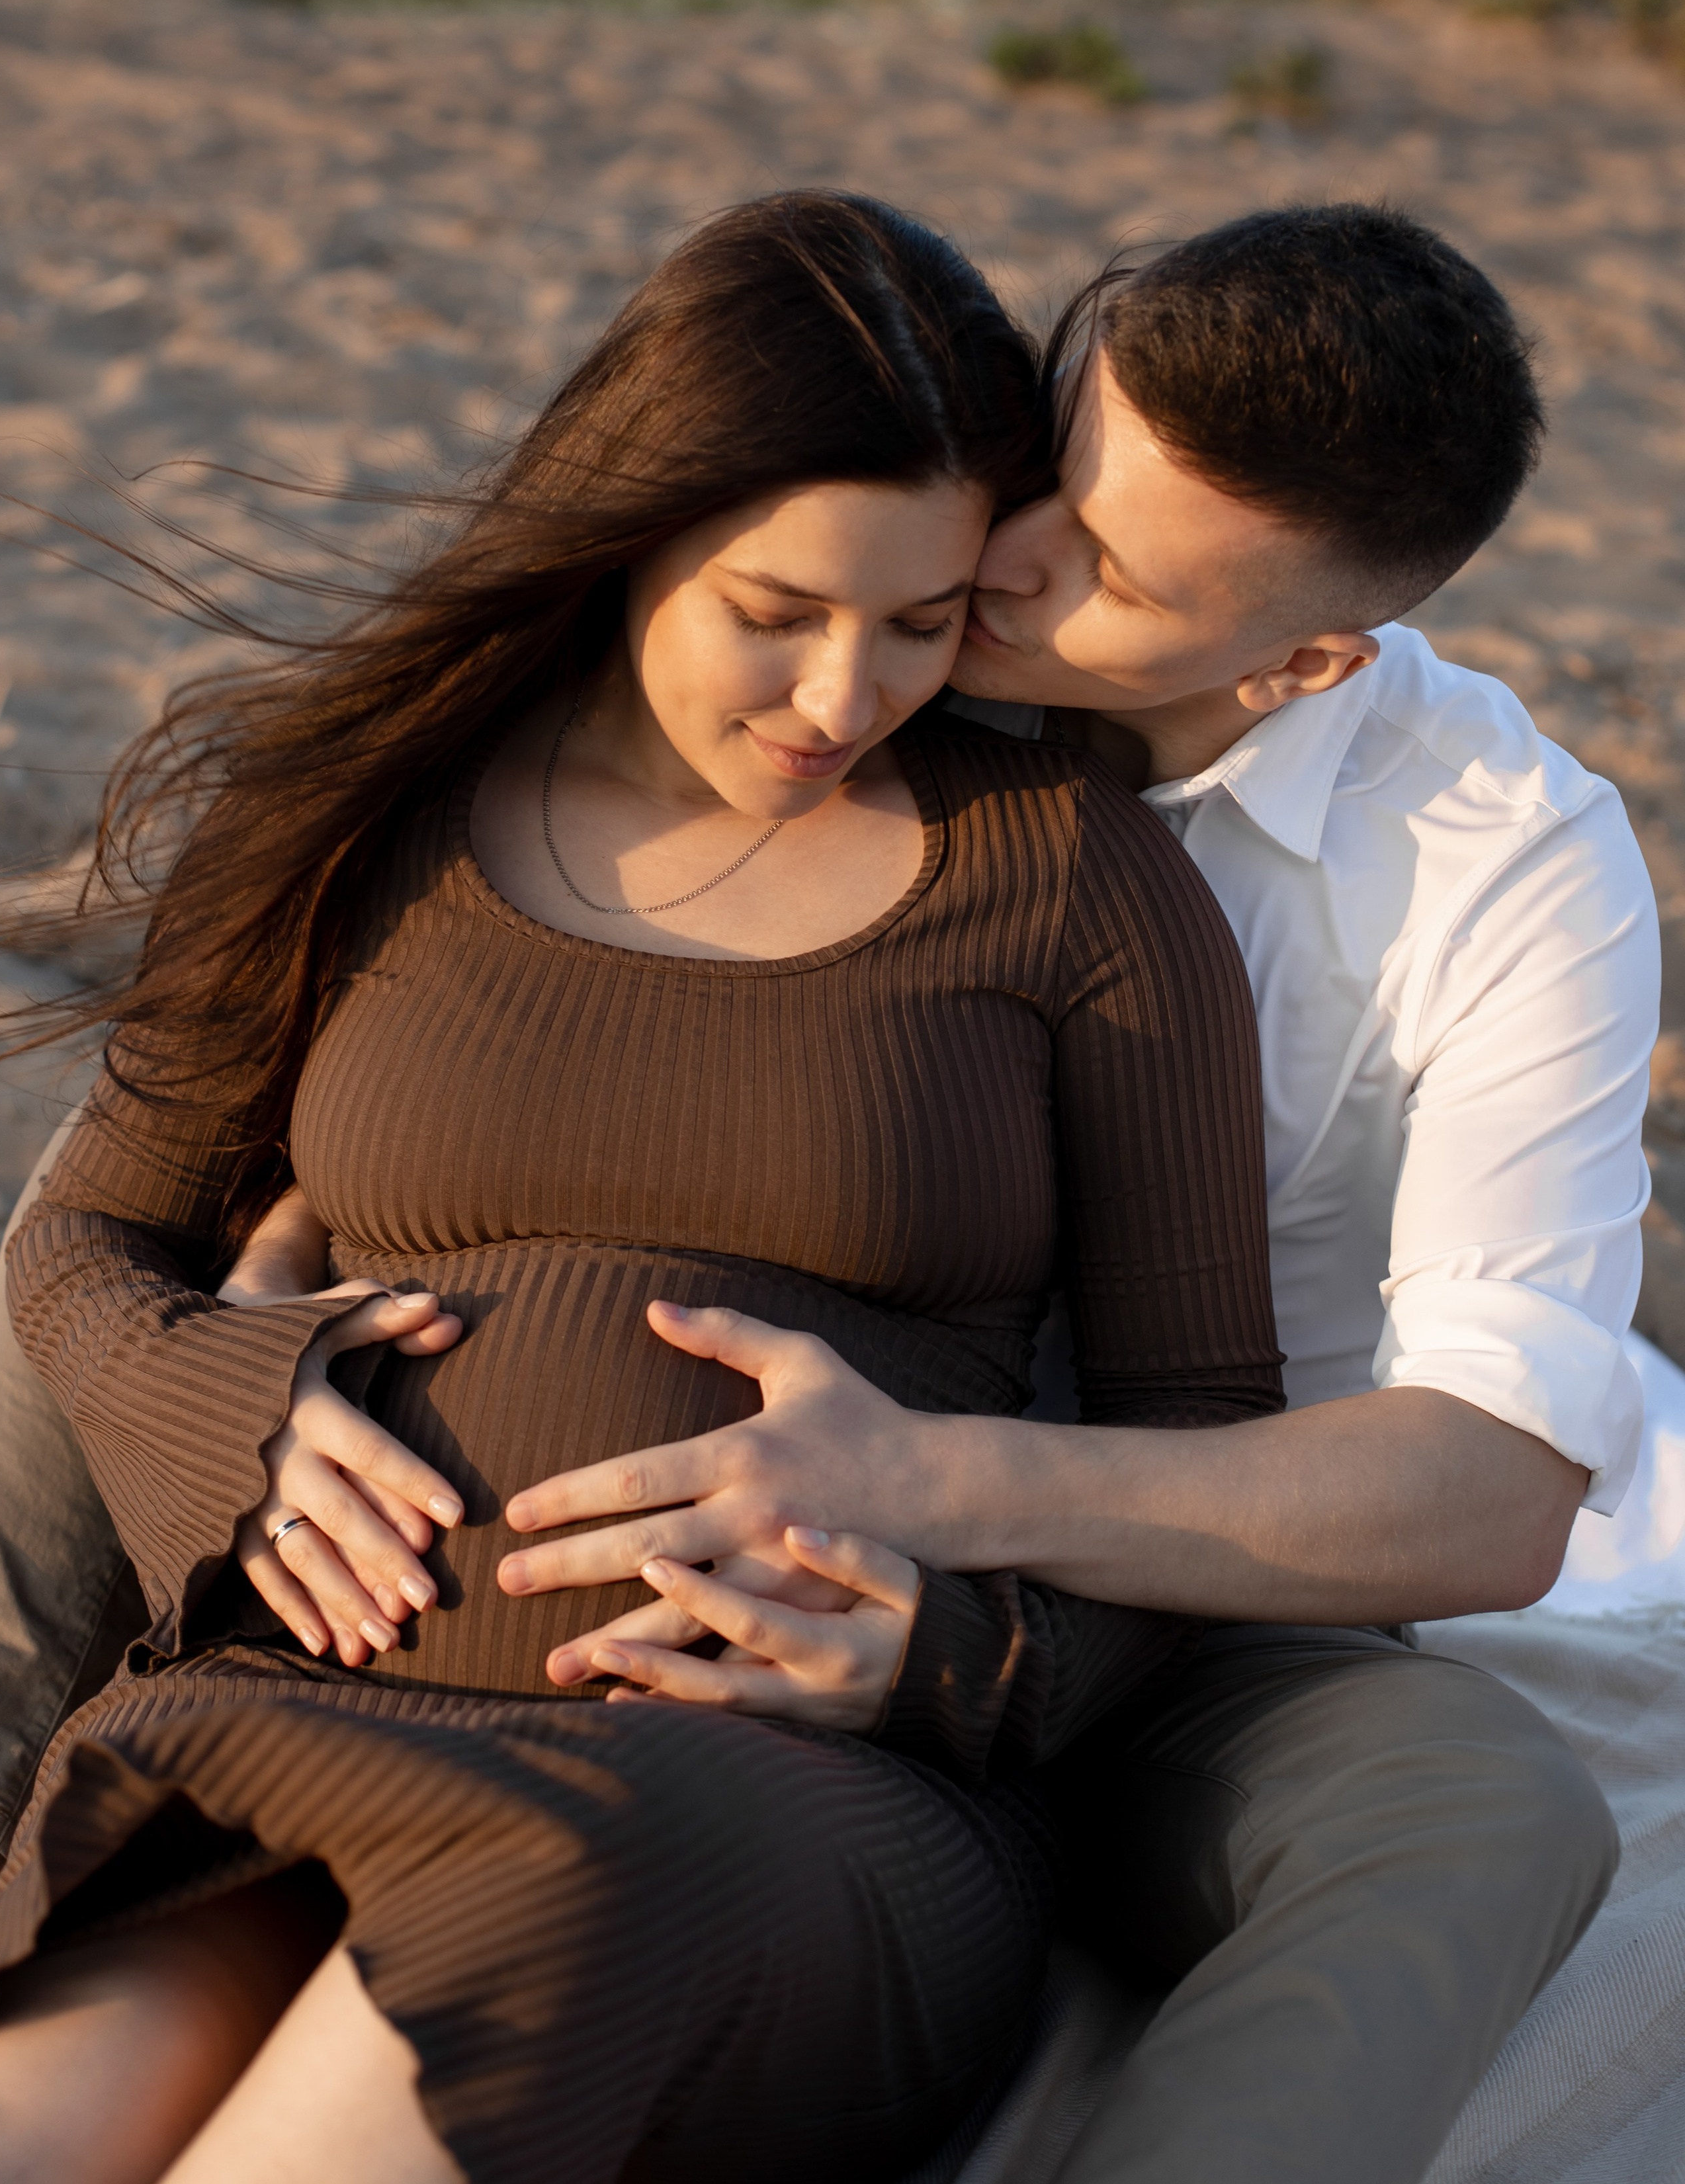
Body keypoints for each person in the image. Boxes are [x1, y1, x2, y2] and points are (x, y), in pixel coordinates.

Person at [0, 192, 1293, 2184]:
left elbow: (1204, 1433)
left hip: (764, 1798)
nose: (844, 695)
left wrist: (953, 1652)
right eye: (777, 609)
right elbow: (87, 1243)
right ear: (632, 536)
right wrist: (233, 1411)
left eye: (925, 622)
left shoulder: (1073, 883)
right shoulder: (375, 814)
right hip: (302, 1709)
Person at [388, 204, 1644, 2181]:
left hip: (1170, 1598)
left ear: (1308, 655)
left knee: (1492, 1813)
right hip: (645, 1499)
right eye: (1055, 457)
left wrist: (937, 1490)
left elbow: (1488, 1494)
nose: (1008, 553)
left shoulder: (1509, 861)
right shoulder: (847, 639)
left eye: (1109, 567)